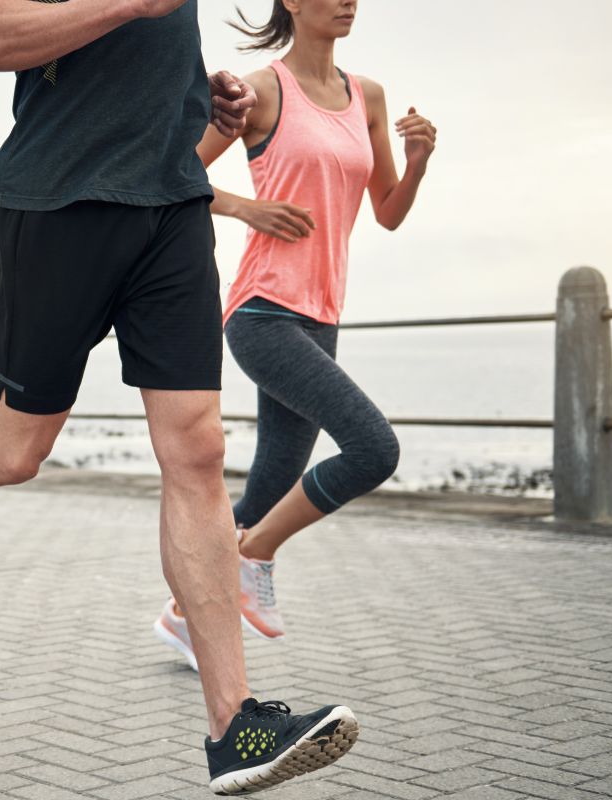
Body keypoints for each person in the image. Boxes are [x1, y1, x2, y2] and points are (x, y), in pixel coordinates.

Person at [0, 0, 358, 795]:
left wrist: (199, 96)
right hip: (57, 205)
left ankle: (235, 728)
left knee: (197, 449)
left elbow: (143, 55)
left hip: (172, 202)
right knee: (14, 452)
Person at [156, 0, 436, 657]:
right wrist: (246, 208)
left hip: (321, 316)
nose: (347, 2)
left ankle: (184, 618)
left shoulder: (367, 96)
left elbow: (387, 213)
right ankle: (257, 556)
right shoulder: (261, 92)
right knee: (373, 449)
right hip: (262, 310)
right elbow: (176, 173)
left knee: (267, 490)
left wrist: (417, 159)